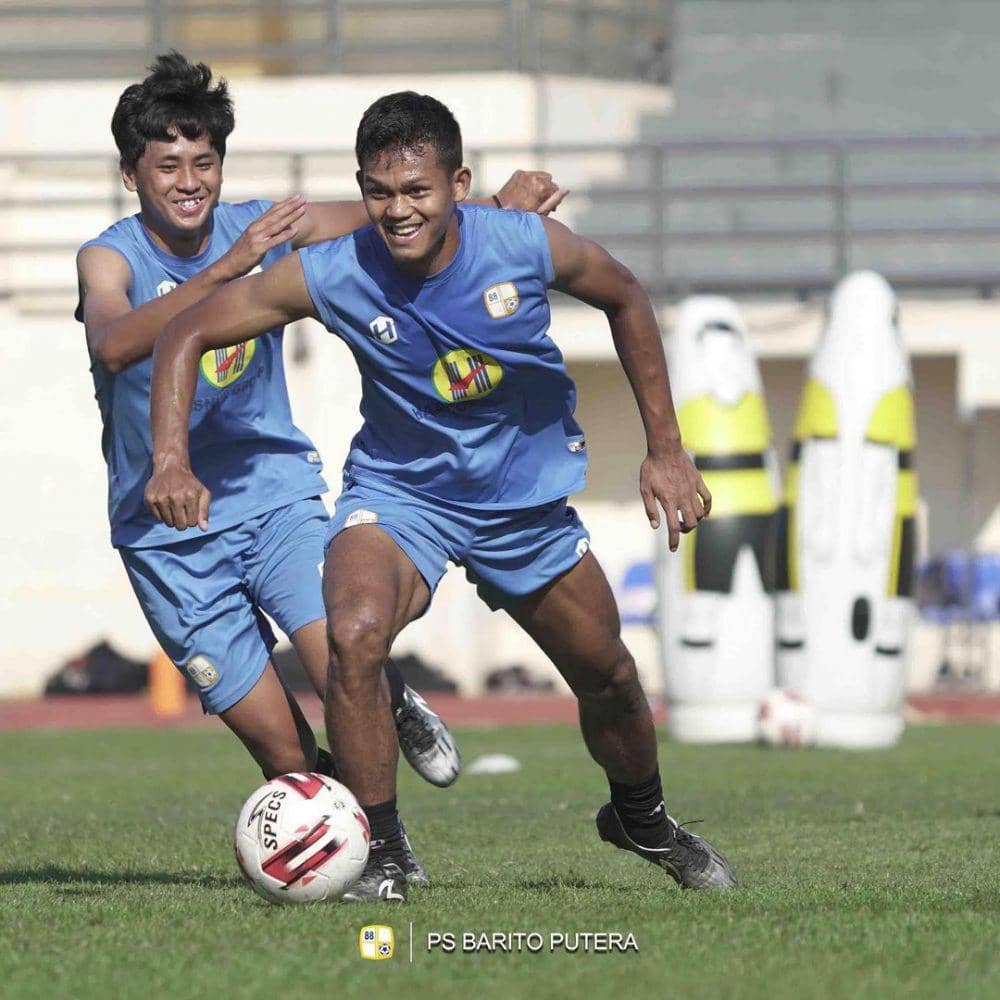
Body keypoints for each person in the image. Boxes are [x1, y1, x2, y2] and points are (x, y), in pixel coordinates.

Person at [146, 91, 737, 902]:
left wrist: (666, 449)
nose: (397, 211)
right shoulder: (335, 269)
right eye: (379, 192)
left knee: (610, 678)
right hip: (400, 495)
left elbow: (627, 296)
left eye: (417, 190)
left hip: (520, 499)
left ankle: (642, 818)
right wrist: (171, 458)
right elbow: (186, 330)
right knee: (353, 637)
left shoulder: (524, 245)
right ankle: (380, 852)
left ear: (457, 182)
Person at [76, 57, 566, 894]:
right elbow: (115, 344)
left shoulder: (265, 222)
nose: (190, 181)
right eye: (167, 166)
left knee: (345, 657)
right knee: (286, 756)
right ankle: (353, 798)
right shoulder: (107, 259)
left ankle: (384, 842)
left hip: (273, 499)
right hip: (167, 536)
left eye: (205, 162)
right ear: (132, 175)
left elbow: (388, 216)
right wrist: (230, 269)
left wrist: (492, 209)